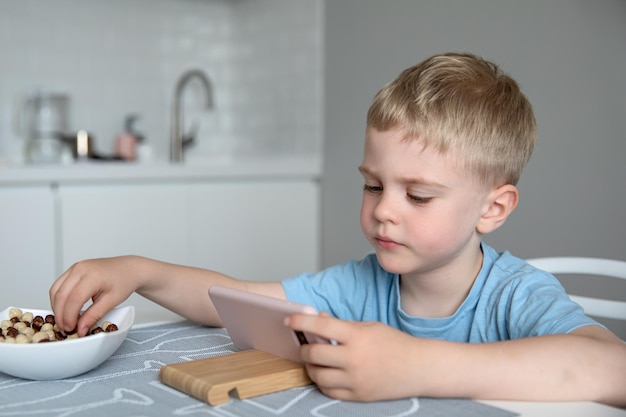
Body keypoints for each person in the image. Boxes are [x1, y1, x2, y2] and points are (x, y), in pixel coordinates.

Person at [50, 52, 626, 407]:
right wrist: (143, 270)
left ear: (493, 209)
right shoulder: (361, 284)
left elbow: (612, 369)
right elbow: (237, 300)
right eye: (373, 186)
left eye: (418, 194)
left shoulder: (515, 295)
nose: (384, 211)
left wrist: (415, 366)